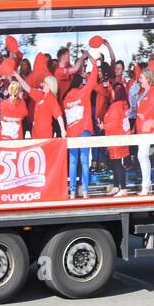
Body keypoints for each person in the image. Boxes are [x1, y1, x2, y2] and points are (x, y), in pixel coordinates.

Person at [61, 53, 98, 198]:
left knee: (73, 162)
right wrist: (90, 57)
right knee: (84, 161)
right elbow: (94, 76)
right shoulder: (84, 92)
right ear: (80, 83)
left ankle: (71, 192)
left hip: (72, 133)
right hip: (83, 131)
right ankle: (85, 192)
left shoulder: (65, 98)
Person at [102, 88, 132, 196]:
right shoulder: (123, 104)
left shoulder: (116, 106)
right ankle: (116, 186)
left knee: (117, 164)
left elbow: (113, 124)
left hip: (115, 137)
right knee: (115, 163)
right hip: (120, 137)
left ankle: (123, 188)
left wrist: (103, 126)